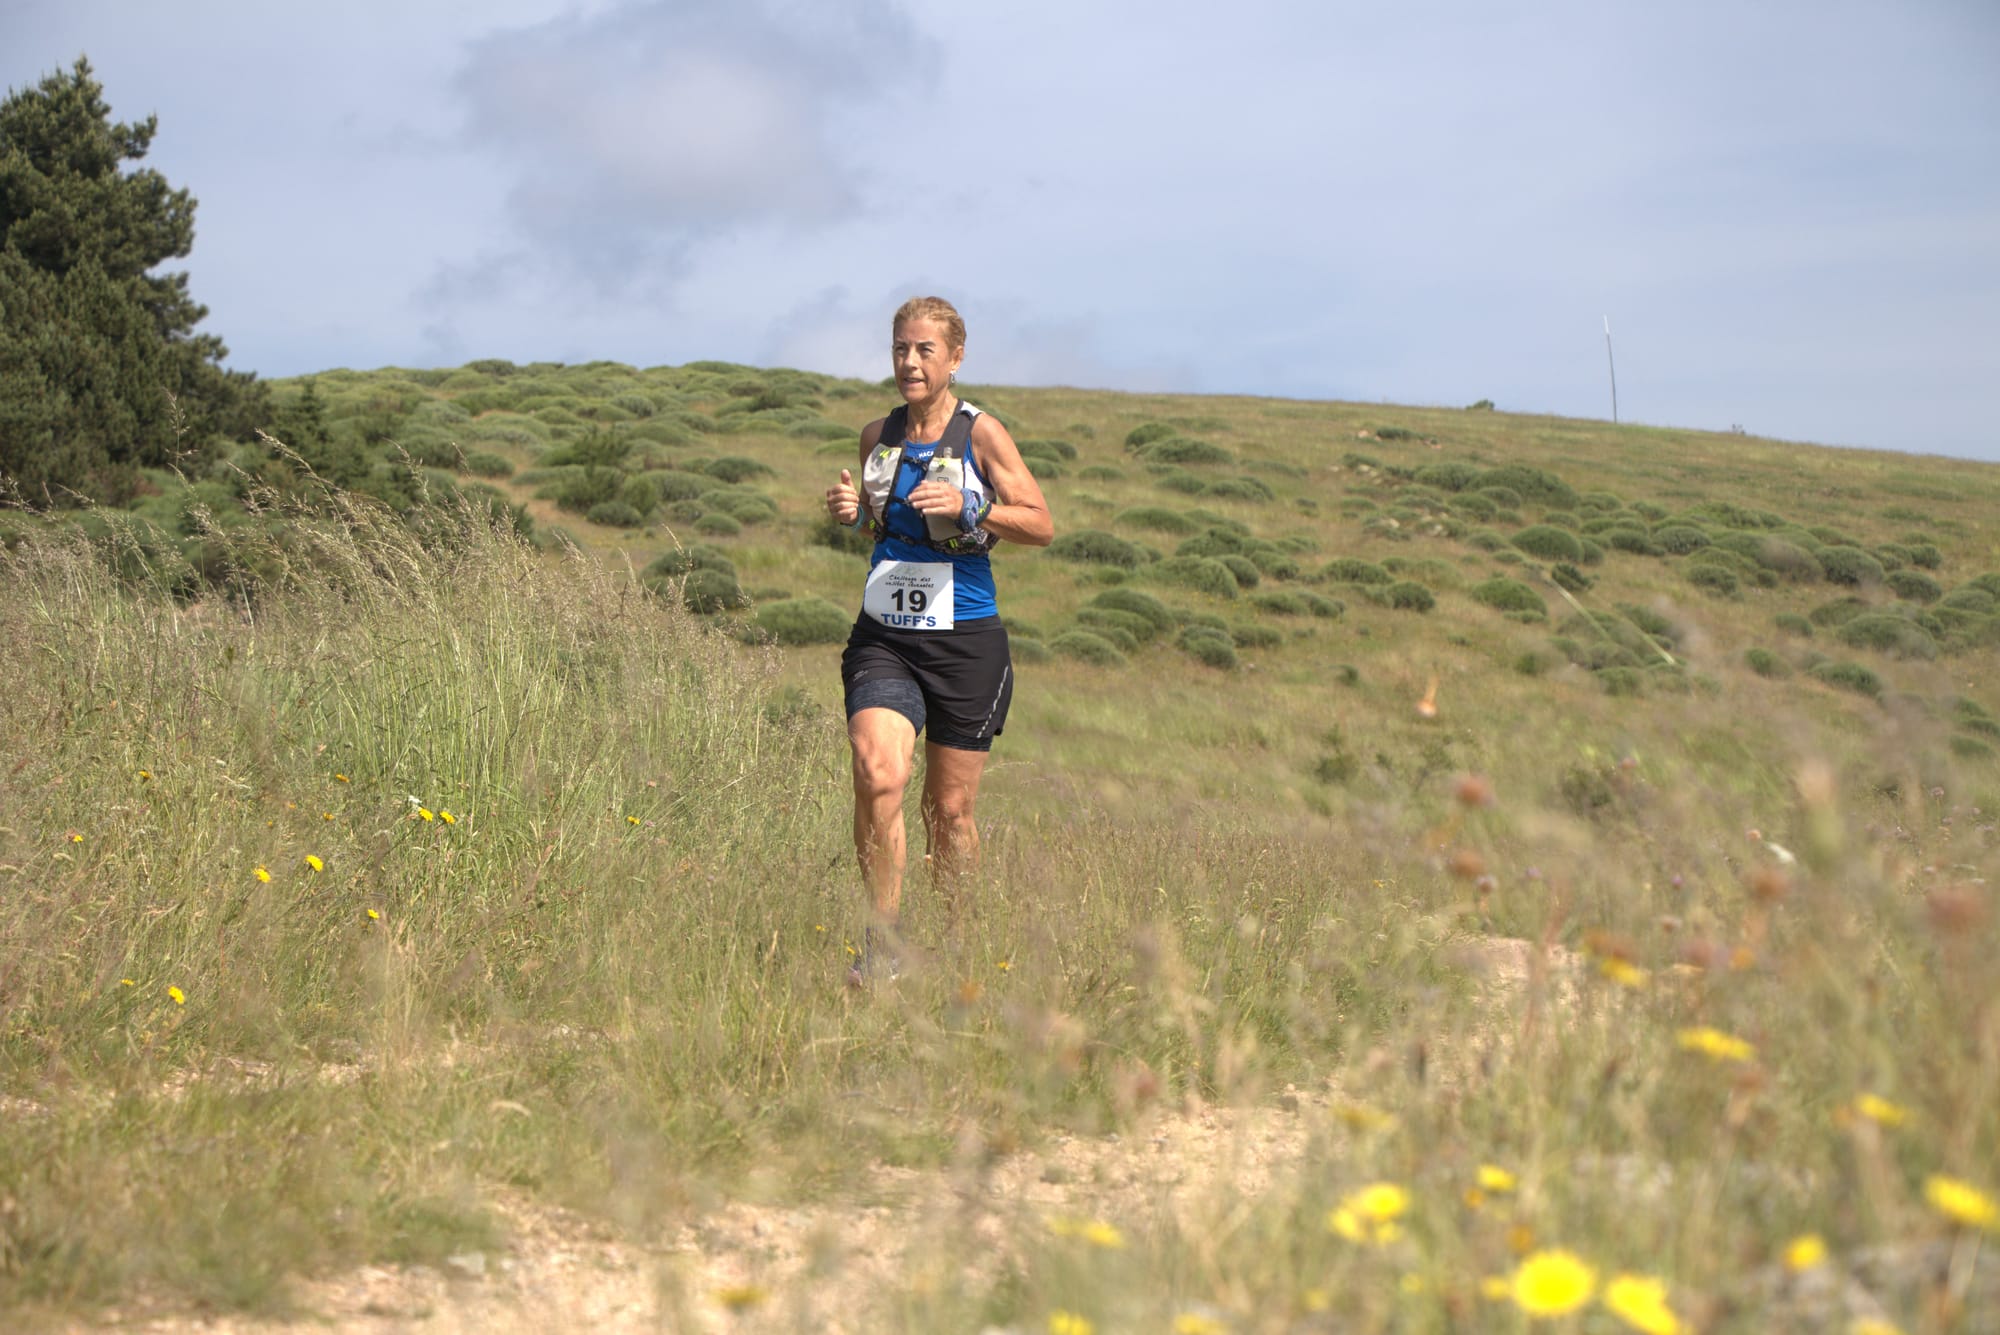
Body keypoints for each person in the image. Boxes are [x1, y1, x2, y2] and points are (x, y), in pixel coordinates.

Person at [823, 296, 1053, 985]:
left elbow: (1041, 524)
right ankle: (883, 942)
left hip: (966, 643)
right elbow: (876, 525)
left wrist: (970, 504)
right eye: (901, 348)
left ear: (955, 358)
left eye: (926, 350)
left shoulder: (981, 435)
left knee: (948, 812)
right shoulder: (878, 436)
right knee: (878, 772)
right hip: (885, 637)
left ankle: (958, 947)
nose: (910, 362)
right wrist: (847, 512)